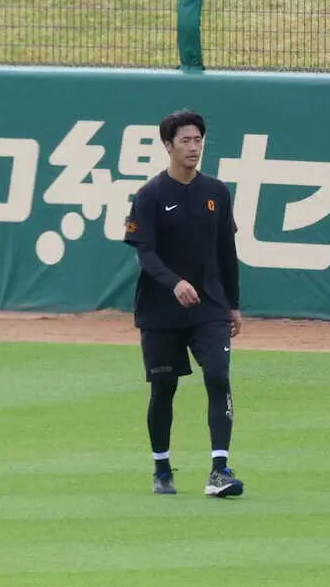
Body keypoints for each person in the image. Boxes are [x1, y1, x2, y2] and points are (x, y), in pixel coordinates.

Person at [123, 109, 244, 497]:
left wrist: (233, 304)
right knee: (163, 387)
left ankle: (220, 471)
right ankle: (162, 469)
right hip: (160, 310)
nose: (194, 147)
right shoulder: (150, 195)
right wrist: (174, 283)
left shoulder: (217, 192)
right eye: (185, 141)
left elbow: (226, 251)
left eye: (198, 140)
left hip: (209, 306)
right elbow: (145, 254)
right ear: (168, 146)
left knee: (218, 375)